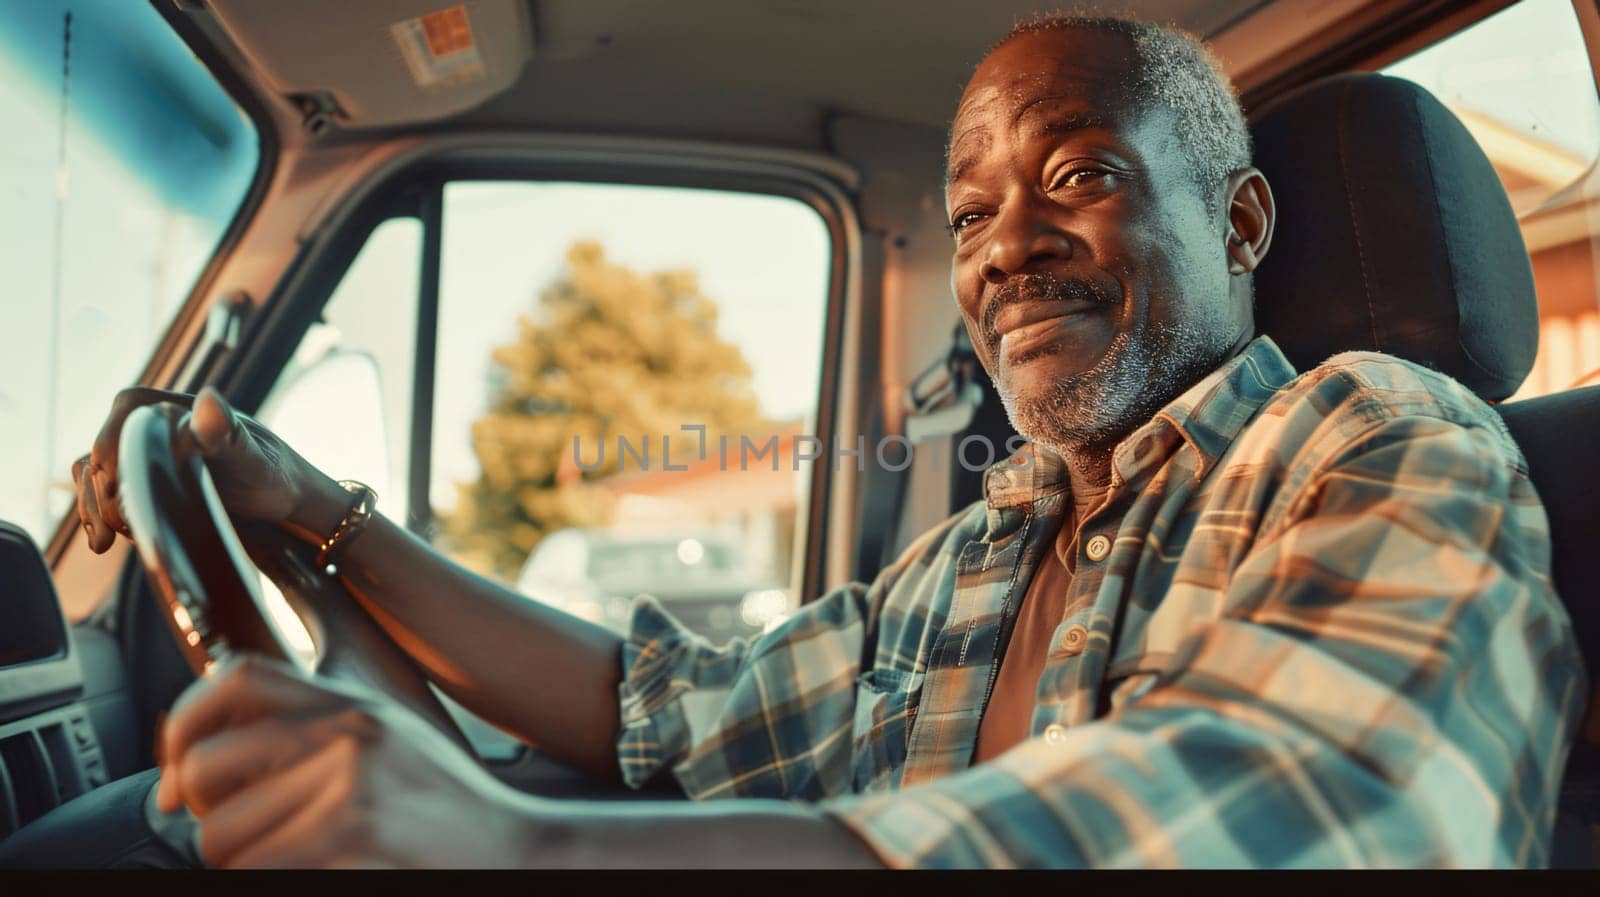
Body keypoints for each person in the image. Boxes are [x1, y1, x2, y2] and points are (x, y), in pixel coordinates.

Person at [62, 15, 1586, 868]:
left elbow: (1339, 788)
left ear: (1240, 220)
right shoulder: (972, 556)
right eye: (975, 213)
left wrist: (522, 853)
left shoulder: (1374, 438)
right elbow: (647, 706)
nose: (1005, 250)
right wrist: (312, 513)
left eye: (1080, 174)